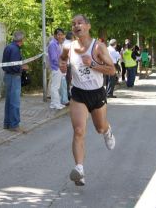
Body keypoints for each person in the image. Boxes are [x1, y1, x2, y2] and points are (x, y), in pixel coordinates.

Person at [59, 14, 115, 186]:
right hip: (78, 94)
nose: (76, 26)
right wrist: (62, 64)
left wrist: (92, 64)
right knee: (78, 131)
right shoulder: (68, 46)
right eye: (73, 24)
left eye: (80, 23)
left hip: (97, 93)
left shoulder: (98, 46)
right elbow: (62, 59)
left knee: (99, 127)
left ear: (88, 26)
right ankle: (80, 169)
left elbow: (112, 70)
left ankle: (107, 131)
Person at [2, 30, 28, 133]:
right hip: (14, 76)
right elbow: (14, 66)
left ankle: (7, 123)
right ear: (21, 39)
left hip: (8, 76)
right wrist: (23, 68)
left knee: (9, 101)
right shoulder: (15, 49)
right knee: (15, 102)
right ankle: (14, 125)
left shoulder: (8, 47)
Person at [48, 28, 66, 109]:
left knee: (55, 86)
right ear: (55, 35)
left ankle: (54, 103)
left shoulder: (56, 43)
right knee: (55, 87)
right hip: (56, 68)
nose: (60, 36)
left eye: (61, 34)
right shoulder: (53, 44)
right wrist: (60, 65)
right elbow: (54, 58)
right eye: (58, 34)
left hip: (58, 67)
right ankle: (56, 104)